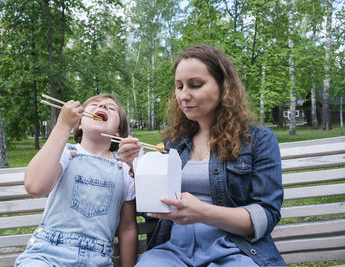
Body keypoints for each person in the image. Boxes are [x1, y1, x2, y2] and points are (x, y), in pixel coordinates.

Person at [118, 45, 286, 266]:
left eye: (195, 85)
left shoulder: (258, 140)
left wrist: (203, 212)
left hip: (235, 249)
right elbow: (154, 212)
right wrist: (136, 168)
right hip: (174, 251)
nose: (184, 96)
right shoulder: (173, 143)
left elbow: (266, 216)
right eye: (179, 86)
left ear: (223, 86)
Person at [15, 94, 137, 267]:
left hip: (98, 260)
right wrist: (63, 126)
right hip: (48, 253)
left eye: (110, 108)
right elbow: (35, 186)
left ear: (118, 131)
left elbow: (127, 228)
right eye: (95, 104)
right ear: (79, 123)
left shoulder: (124, 169)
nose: (102, 106)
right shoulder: (65, 154)